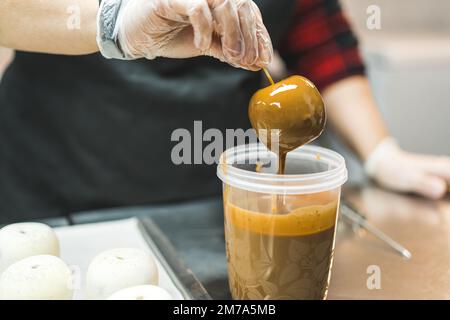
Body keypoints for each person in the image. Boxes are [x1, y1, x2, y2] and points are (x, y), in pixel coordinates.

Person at [0, 0, 448, 223]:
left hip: (215, 196)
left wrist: (382, 154)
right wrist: (110, 23)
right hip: (60, 185)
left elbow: (319, 36)